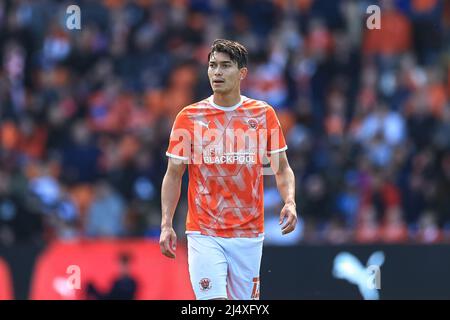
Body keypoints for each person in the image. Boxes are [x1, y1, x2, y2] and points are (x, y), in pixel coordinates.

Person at [159, 39, 297, 300]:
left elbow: (282, 169)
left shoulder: (262, 114)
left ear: (242, 73)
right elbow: (174, 174)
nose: (217, 73)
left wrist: (289, 201)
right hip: (204, 231)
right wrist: (166, 224)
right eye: (212, 66)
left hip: (249, 234)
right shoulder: (188, 117)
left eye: (225, 66)